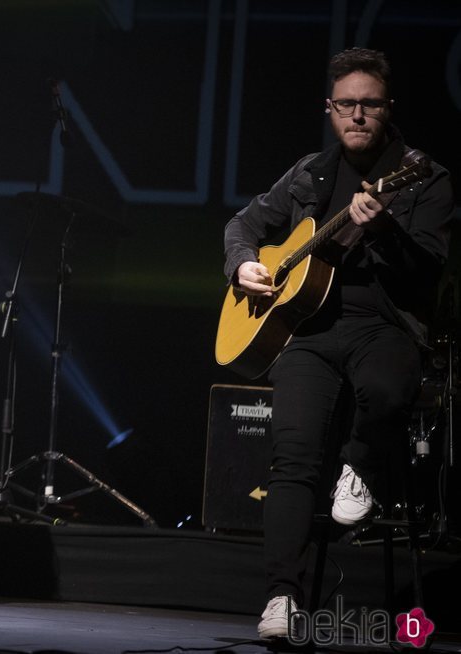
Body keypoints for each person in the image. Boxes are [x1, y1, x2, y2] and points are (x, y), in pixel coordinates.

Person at [222, 47, 454, 639]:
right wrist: (243, 264)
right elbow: (243, 226)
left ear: (388, 108)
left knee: (385, 388)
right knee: (292, 457)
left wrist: (384, 228)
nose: (357, 115)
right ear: (329, 109)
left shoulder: (423, 175)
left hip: (387, 326)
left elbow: (430, 271)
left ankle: (359, 466)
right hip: (308, 331)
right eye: (346, 104)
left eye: (369, 105)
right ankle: (281, 599)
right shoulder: (309, 173)